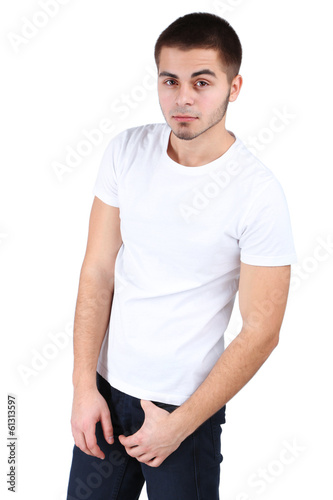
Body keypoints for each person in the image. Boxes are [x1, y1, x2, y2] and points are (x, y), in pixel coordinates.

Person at [66, 12, 297, 500]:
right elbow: (98, 270)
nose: (183, 97)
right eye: (170, 80)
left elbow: (262, 330)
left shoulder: (258, 194)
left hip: (183, 412)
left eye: (202, 81)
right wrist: (83, 387)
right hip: (106, 394)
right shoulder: (126, 151)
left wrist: (180, 426)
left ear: (234, 88)